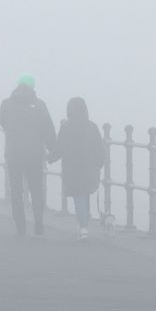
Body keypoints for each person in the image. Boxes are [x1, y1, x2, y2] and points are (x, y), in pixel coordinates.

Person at [0, 74, 56, 237]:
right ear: (33, 87)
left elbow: (3, 122)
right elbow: (48, 129)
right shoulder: (39, 105)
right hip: (34, 154)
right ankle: (38, 221)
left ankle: (21, 227)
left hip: (14, 153)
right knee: (36, 188)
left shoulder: (6, 104)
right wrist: (53, 150)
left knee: (16, 191)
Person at [48, 97, 104, 239]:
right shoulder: (92, 127)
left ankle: (83, 226)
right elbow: (100, 148)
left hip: (72, 168)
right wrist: (99, 163)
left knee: (78, 195)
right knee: (84, 193)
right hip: (89, 167)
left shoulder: (66, 127)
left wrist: (50, 158)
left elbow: (60, 147)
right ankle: (83, 222)